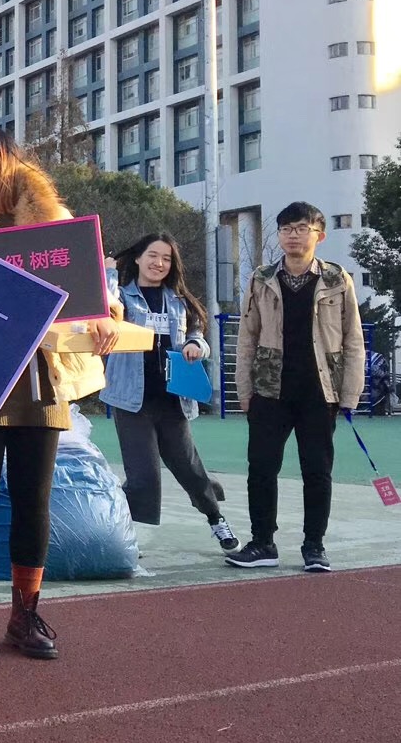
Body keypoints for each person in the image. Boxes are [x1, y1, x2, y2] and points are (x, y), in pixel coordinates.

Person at [0, 128, 118, 663]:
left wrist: (106, 314)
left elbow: (94, 291)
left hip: (44, 371)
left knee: (32, 495)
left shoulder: (56, 221)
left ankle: (25, 614)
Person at [228, 201, 363, 573]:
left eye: (302, 229)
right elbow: (247, 337)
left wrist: (349, 393)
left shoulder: (337, 279)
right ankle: (262, 543)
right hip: (269, 389)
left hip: (320, 389)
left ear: (319, 235)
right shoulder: (261, 278)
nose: (293, 236)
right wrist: (244, 390)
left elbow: (353, 339)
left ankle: (314, 546)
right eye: (286, 229)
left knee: (317, 470)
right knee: (261, 468)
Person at [100, 233, 237, 551]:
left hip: (173, 401)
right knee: (144, 477)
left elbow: (197, 332)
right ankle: (125, 538)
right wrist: (108, 273)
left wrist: (196, 345)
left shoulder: (179, 300)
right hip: (131, 400)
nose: (159, 263)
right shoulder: (122, 296)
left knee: (189, 468)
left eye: (166, 258)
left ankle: (216, 519)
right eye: (152, 255)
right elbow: (105, 310)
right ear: (137, 258)